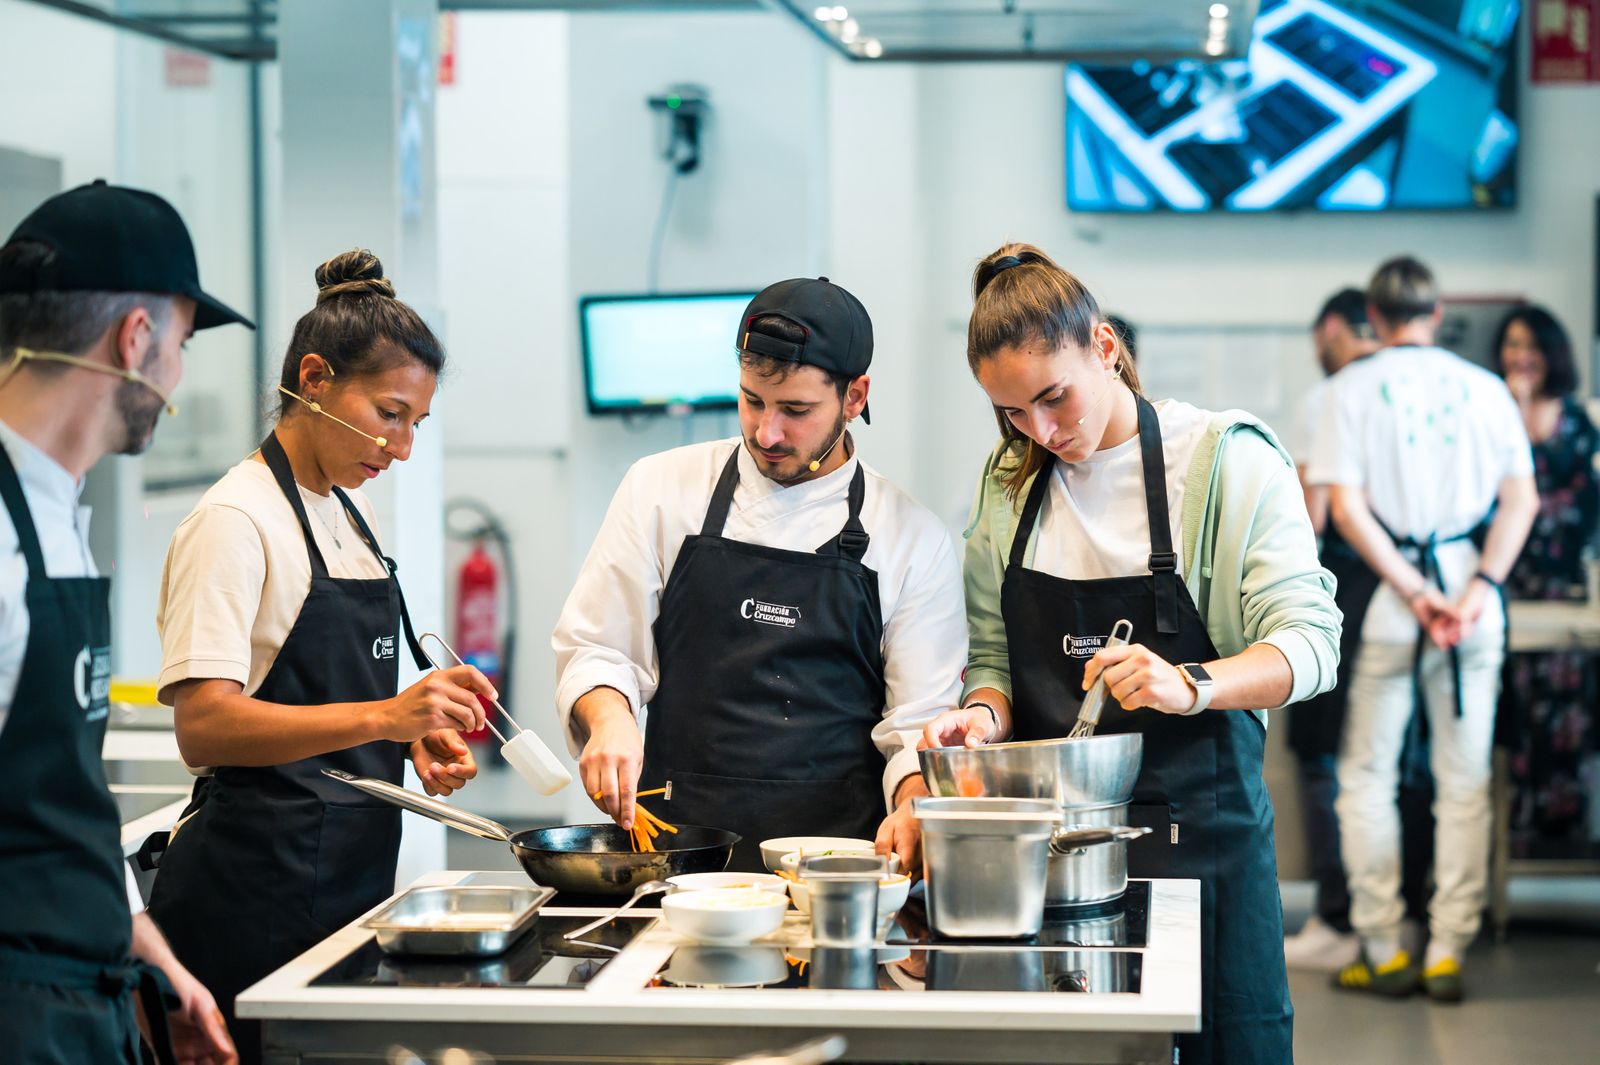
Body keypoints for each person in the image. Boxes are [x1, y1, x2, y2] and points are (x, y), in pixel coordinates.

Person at [921, 243, 1340, 1064]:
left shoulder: (1225, 462)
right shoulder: (1011, 482)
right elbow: (997, 659)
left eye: (1053, 398)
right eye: (1011, 412)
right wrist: (979, 717)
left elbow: (1311, 643)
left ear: (1105, 348)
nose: (1040, 431)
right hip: (1057, 862)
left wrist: (1190, 683)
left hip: (1205, 851)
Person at [144, 250, 492, 1064]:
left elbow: (320, 695)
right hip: (247, 899)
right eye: (389, 413)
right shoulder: (237, 518)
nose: (402, 447)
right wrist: (383, 713)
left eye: (417, 424)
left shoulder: (343, 512)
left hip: (342, 890)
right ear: (313, 378)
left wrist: (410, 733)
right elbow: (204, 725)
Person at [554, 276, 966, 873]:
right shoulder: (661, 489)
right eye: (752, 401)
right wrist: (610, 717)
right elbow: (598, 645)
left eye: (796, 411)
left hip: (836, 868)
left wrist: (913, 803)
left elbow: (917, 724)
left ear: (855, 397)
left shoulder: (911, 536)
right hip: (679, 855)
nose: (767, 433)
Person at [0, 181, 249, 1064]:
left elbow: (54, 792)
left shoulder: (58, 509)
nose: (177, 372)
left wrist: (141, 945)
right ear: (135, 341)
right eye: (180, 343)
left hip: (82, 992)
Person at [1307, 256, 1538, 1003]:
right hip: (1474, 601)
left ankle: (1381, 944)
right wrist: (1474, 591)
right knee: (1464, 782)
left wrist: (1414, 590)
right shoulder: (1487, 388)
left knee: (1367, 776)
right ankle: (1446, 948)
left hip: (1391, 605)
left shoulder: (1346, 388)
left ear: (1373, 319)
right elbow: (1520, 499)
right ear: (1435, 315)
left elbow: (1345, 507)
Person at [1283, 287, 1433, 972]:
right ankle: (1417, 920)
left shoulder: (1335, 394)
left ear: (1340, 327)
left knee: (1330, 761)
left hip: (1346, 593)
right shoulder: (1436, 392)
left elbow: (1313, 517)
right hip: (1424, 590)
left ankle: (1343, 917)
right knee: (1411, 766)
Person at [1492, 306, 1599, 852]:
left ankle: (1564, 833)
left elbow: (1584, 504)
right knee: (1510, 716)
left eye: (1530, 344)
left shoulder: (1578, 421)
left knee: (1567, 711)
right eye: (1511, 344)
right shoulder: (1492, 416)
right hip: (1501, 587)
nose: (1520, 355)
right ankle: (1509, 840)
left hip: (1563, 594)